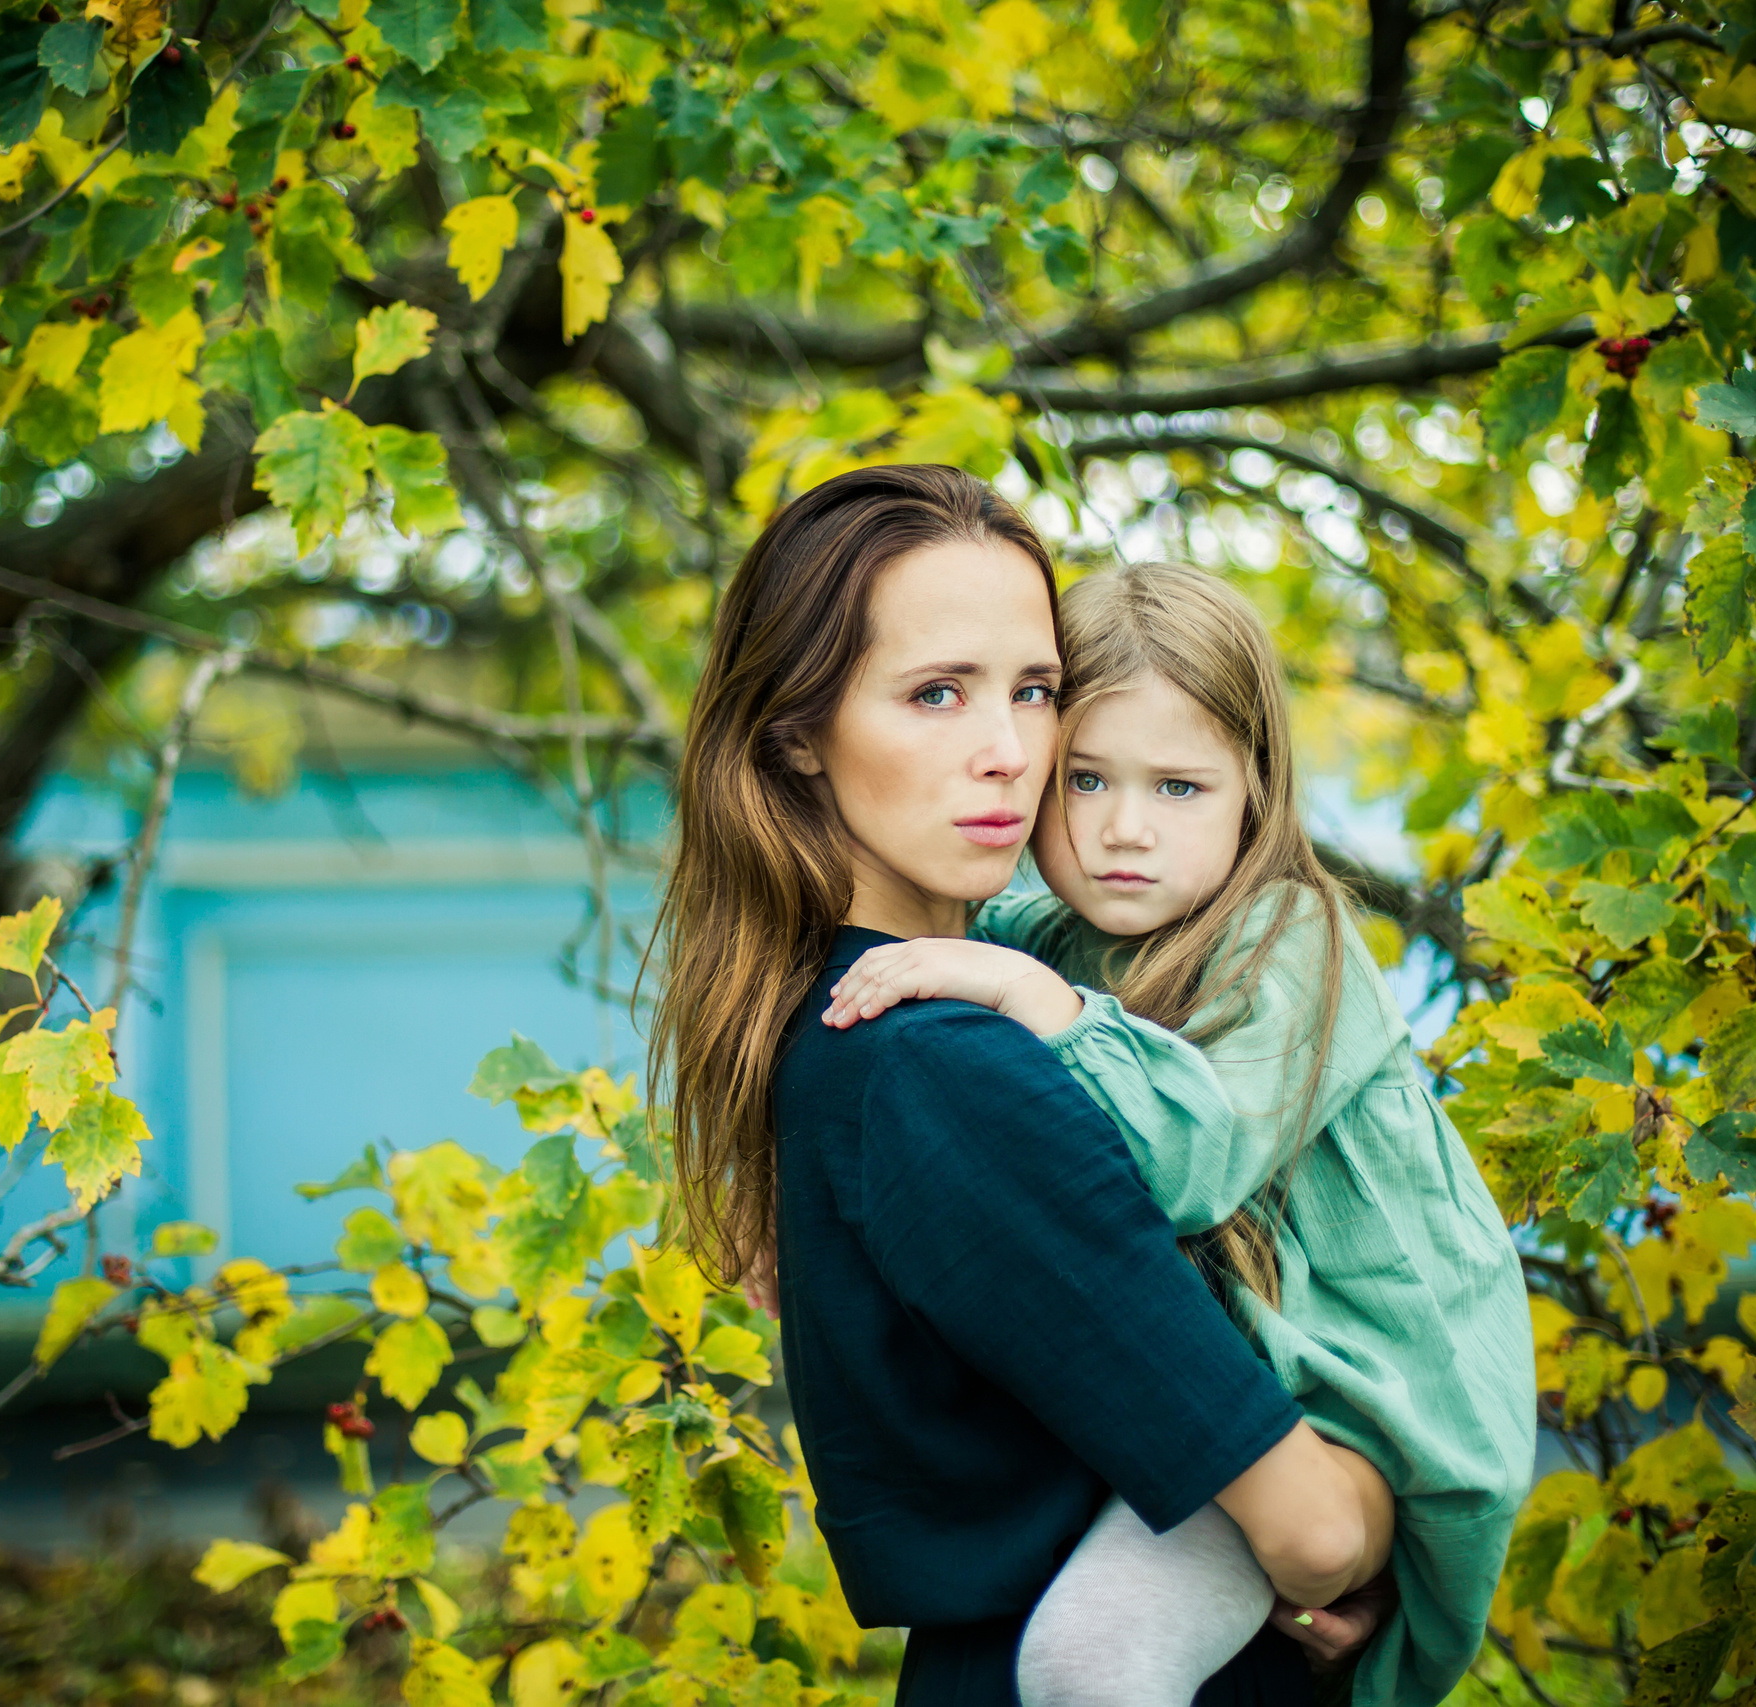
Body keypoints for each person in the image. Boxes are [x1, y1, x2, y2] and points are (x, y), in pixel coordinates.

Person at [650, 467, 1390, 1707]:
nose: (1009, 755)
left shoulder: (866, 1028)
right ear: (794, 734)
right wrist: (1380, 1514)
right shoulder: (941, 1067)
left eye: (1035, 692)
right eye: (936, 694)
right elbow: (1310, 1531)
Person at [818, 561, 1537, 1707]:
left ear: (1256, 789)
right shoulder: (1048, 932)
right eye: (1087, 780)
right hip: (1246, 1406)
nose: (1123, 831)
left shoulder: (1293, 941)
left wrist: (1026, 994)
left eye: (1180, 788)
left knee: (1089, 1661)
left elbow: (1190, 1166)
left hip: (1367, 1415)